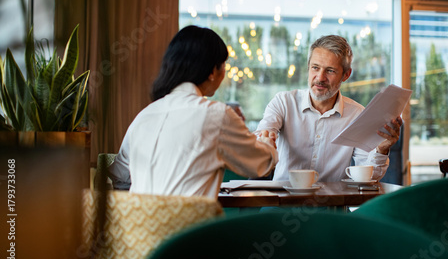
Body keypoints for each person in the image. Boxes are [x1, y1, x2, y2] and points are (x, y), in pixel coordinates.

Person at [109, 25, 278, 198]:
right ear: (213, 71)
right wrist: (267, 143)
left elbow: (119, 176)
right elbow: (260, 163)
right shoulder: (217, 115)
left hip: (137, 223)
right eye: (224, 65)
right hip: (192, 224)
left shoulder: (144, 116)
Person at [255, 34, 402, 183]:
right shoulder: (284, 102)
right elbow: (263, 135)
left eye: (330, 70)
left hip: (332, 204)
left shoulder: (357, 114)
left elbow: (369, 175)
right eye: (315, 68)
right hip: (282, 202)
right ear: (308, 68)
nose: (320, 78)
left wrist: (382, 150)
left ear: (346, 75)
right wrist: (265, 142)